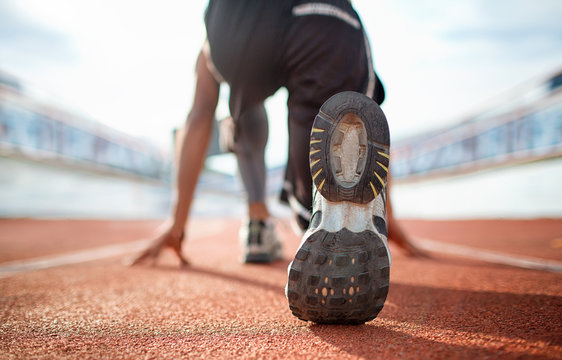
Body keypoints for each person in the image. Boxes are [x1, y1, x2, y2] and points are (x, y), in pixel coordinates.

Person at [130, 0, 423, 323]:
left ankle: (258, 222)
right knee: (343, 126)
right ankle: (348, 211)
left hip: (237, 26)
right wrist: (388, 211)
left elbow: (198, 118)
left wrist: (178, 220)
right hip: (323, 18)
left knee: (241, 103)